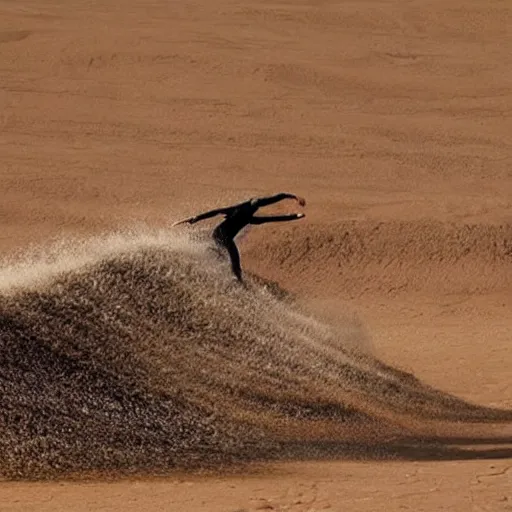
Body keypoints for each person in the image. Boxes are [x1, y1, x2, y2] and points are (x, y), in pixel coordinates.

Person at [173, 193, 306, 282]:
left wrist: (294, 212)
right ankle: (237, 279)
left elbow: (272, 218)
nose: (256, 205)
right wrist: (194, 218)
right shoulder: (236, 210)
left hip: (223, 238)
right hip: (220, 235)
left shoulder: (250, 218)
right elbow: (215, 212)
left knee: (229, 255)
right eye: (254, 204)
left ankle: (225, 265)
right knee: (234, 257)